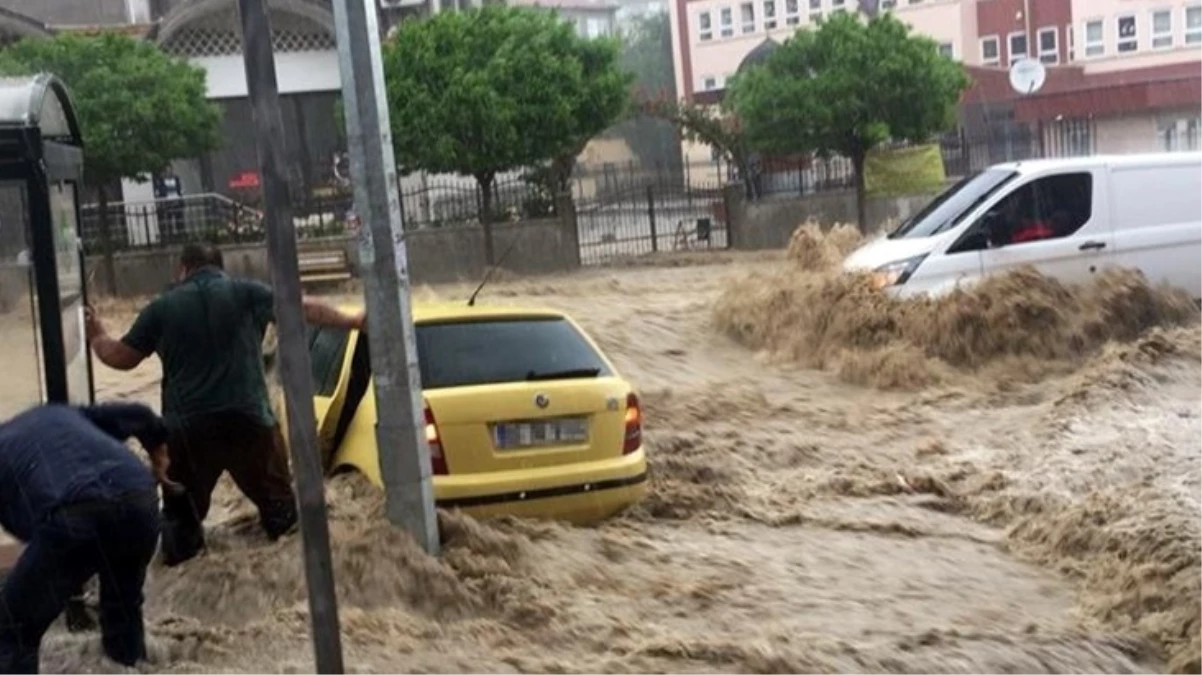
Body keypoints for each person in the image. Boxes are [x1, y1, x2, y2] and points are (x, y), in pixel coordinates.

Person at [84, 244, 365, 567]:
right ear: (220, 268)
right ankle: (291, 580)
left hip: (187, 432)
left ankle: (184, 579)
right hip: (251, 423)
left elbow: (120, 358)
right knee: (284, 521)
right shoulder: (246, 293)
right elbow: (302, 308)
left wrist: (96, 333)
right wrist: (354, 319)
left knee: (181, 529)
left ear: (183, 269)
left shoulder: (161, 308)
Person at [0, 401, 178, 673]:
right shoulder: (60, 415)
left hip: (73, 516)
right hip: (139, 500)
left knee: (11, 627)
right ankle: (130, 663)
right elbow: (141, 415)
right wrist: (159, 455)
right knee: (123, 614)